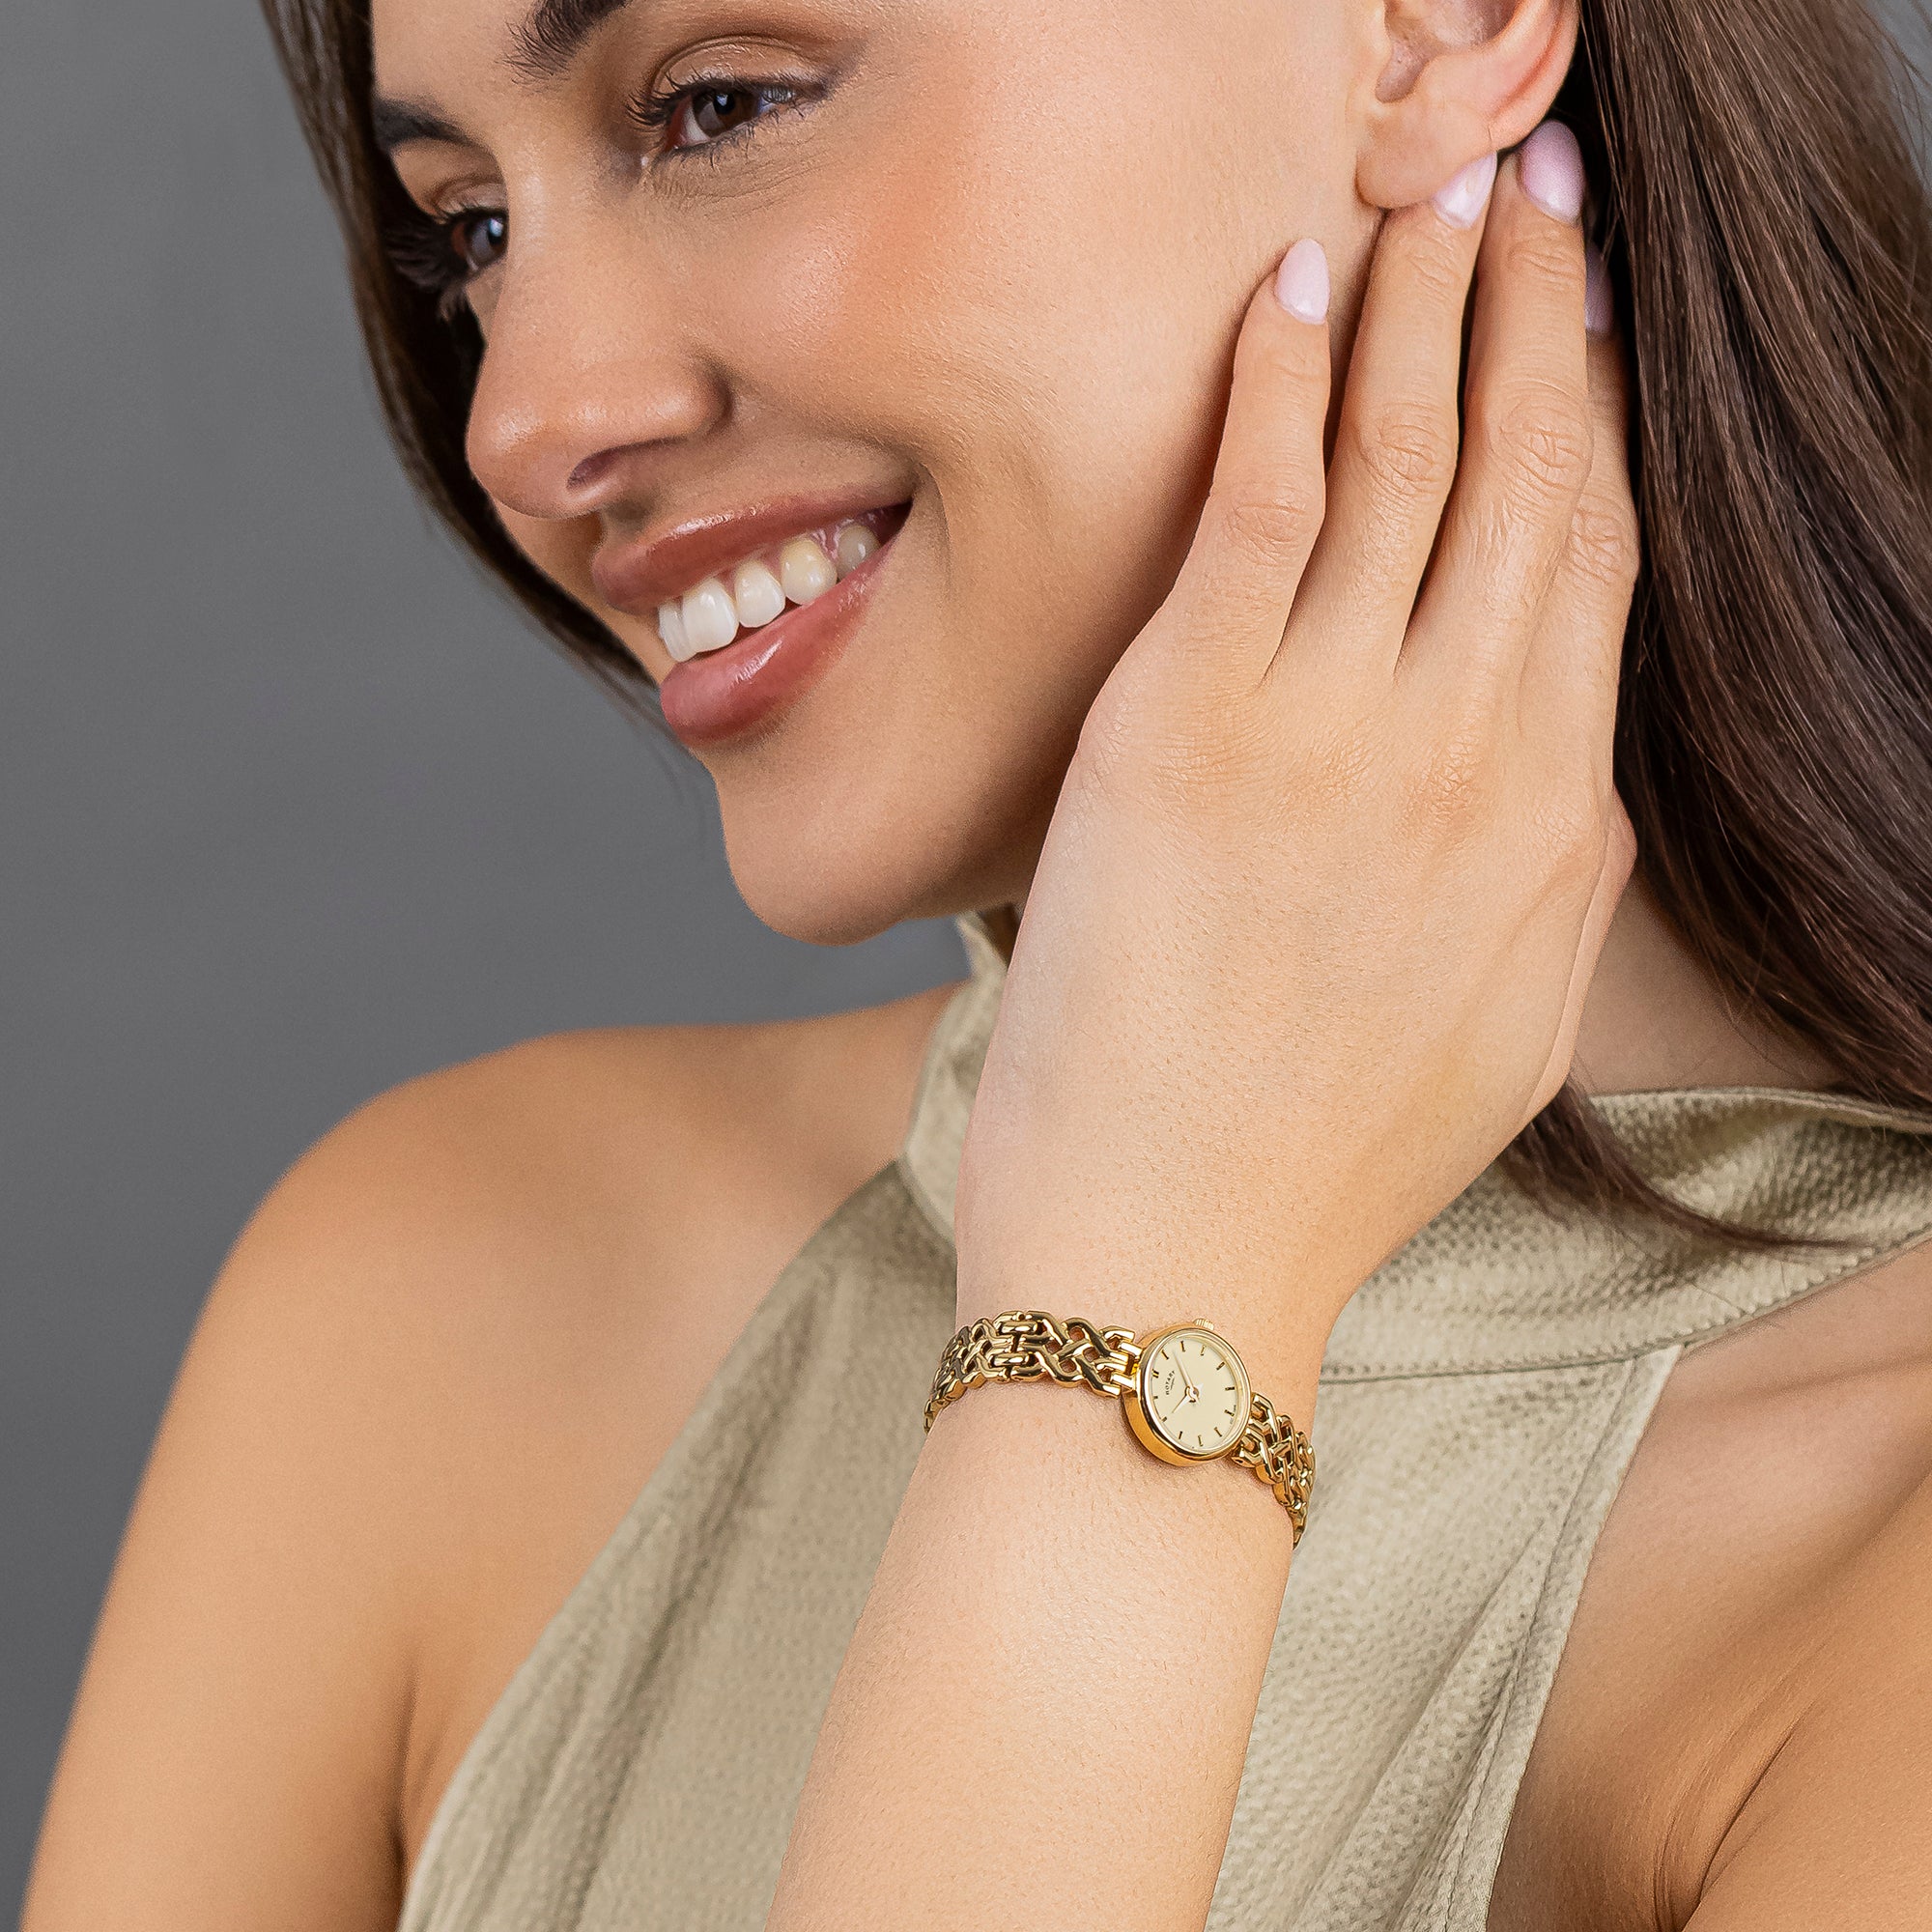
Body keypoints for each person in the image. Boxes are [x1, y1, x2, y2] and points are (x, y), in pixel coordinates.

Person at [24, 0, 1932, 1924]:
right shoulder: (433, 1310)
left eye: (717, 107)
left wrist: (1143, 1298)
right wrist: (1157, 1268)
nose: (527, 419)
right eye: (472, 230)